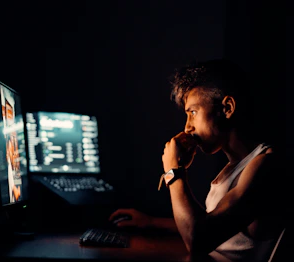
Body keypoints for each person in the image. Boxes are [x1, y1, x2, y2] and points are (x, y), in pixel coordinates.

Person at [109, 59, 288, 261]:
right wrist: (150, 222)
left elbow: (197, 239)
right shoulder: (235, 167)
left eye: (193, 113)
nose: (187, 127)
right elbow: (212, 225)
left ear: (228, 108)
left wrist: (174, 172)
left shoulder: (265, 165)